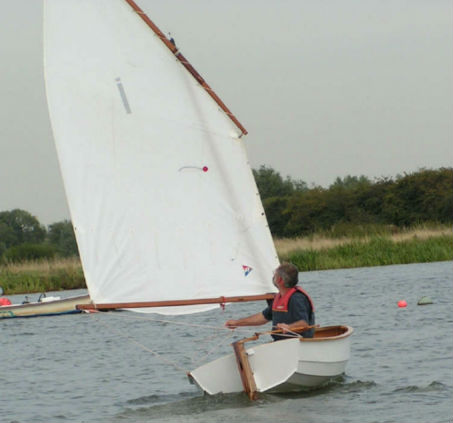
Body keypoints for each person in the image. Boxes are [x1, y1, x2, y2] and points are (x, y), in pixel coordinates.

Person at [225, 263, 315, 340]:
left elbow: (304, 324)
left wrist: (288, 327)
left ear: (279, 280)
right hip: (283, 344)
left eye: (274, 275)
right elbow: (263, 317)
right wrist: (237, 323)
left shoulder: (297, 298)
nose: (273, 277)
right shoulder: (279, 297)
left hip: (298, 344)